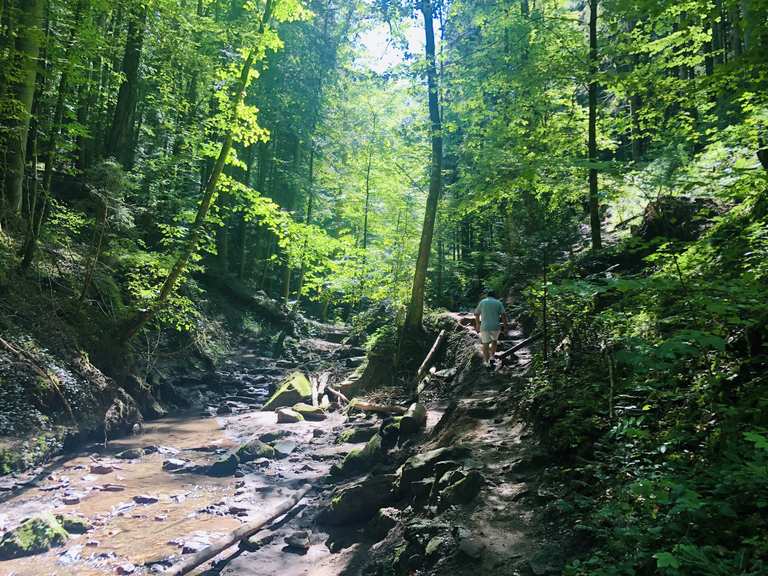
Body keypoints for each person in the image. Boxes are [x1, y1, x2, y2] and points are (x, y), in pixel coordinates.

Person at [474, 289, 508, 368]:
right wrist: (506, 327)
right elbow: (503, 316)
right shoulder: (498, 303)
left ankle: (486, 362)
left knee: (485, 345)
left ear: (487, 295)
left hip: (485, 326)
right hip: (495, 326)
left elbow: (476, 314)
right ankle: (492, 356)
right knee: (494, 341)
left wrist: (477, 324)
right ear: (494, 295)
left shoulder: (482, 302)